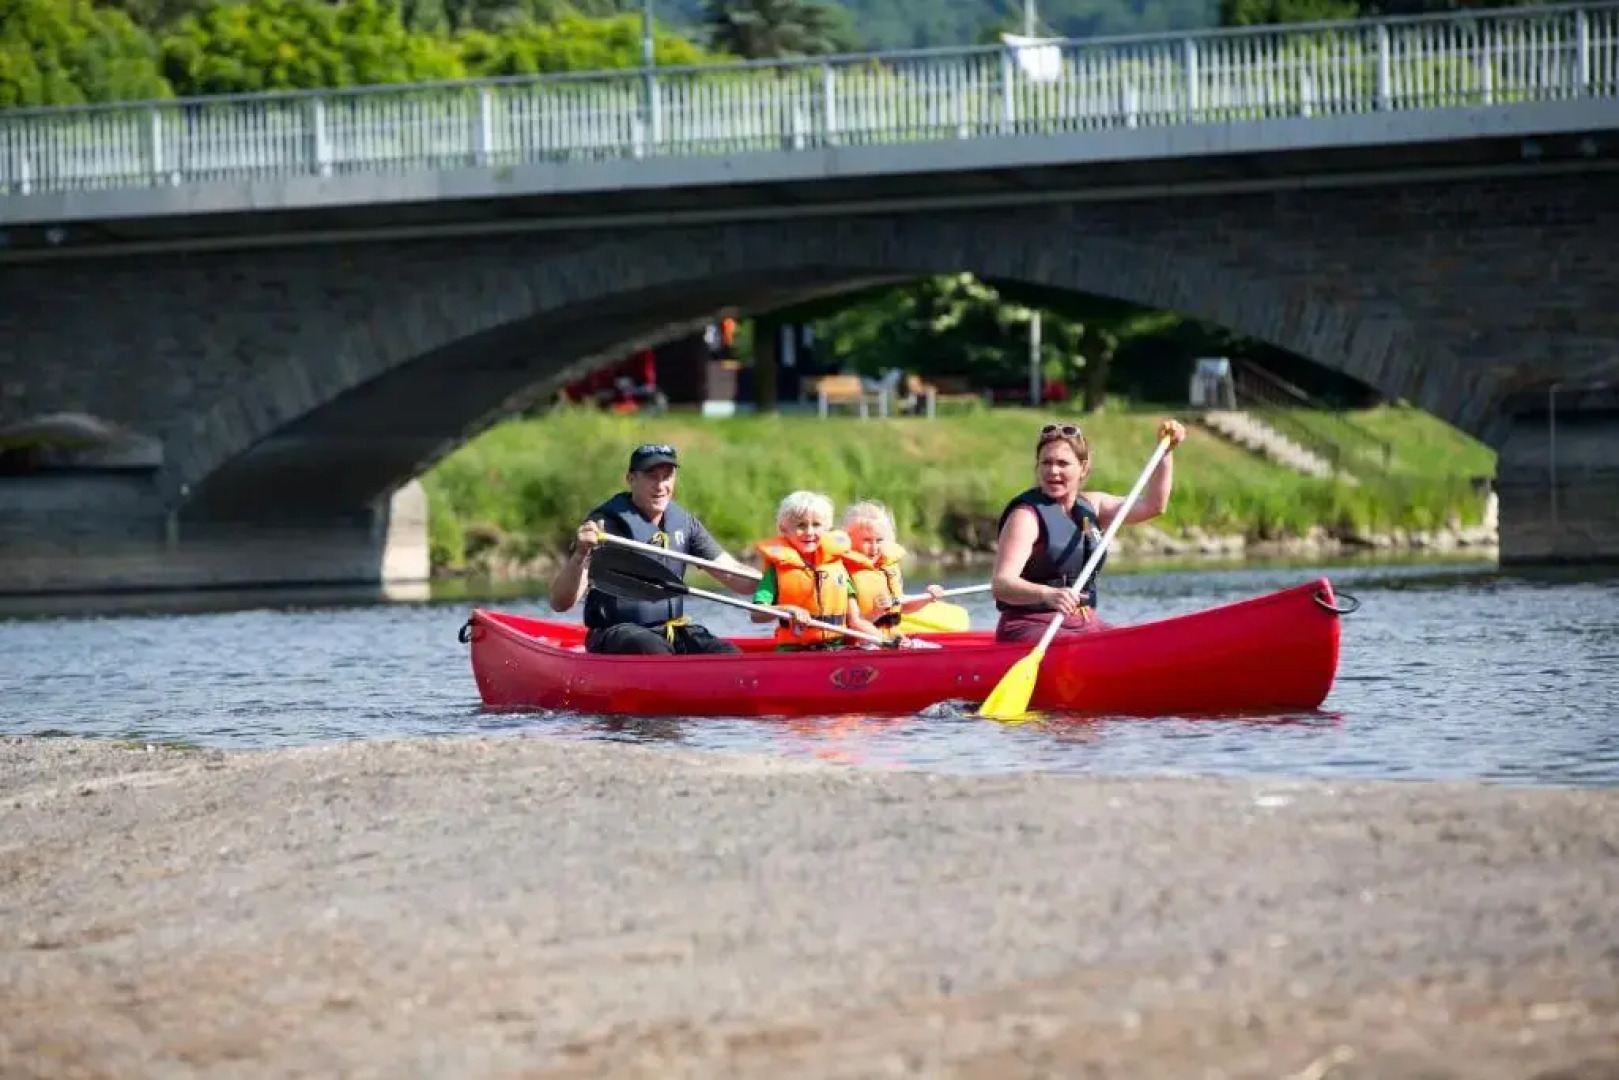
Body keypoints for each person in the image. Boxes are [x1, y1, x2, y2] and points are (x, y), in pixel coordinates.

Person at [990, 418, 1188, 644]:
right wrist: (1048, 594)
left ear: (1083, 468)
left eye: (1063, 463)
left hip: (1084, 621)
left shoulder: (1093, 506)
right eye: (1046, 463)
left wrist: (1166, 452)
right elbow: (1002, 585)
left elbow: (1154, 506)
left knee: (1142, 645)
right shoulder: (1026, 517)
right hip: (1032, 624)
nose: (1053, 471)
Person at [547, 443, 756, 655]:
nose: (660, 485)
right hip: (616, 634)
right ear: (631, 479)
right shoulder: (605, 526)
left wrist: (774, 581)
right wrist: (580, 555)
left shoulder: (685, 523)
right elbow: (560, 603)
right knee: (651, 648)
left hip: (671, 631)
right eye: (651, 476)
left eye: (667, 476)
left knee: (726, 653)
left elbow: (733, 574)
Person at [751, 491, 884, 650]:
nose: (809, 532)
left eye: (816, 525)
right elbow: (757, 614)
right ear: (784, 528)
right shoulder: (777, 570)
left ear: (827, 527)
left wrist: (884, 641)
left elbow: (855, 620)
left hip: (837, 648)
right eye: (801, 525)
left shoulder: (836, 564)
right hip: (795, 652)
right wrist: (787, 609)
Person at [840, 500, 945, 639]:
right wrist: (877, 613)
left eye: (879, 540)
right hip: (863, 642)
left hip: (892, 637)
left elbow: (903, 606)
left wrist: (926, 598)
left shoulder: (887, 567)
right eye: (867, 540)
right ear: (850, 540)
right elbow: (854, 623)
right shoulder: (844, 573)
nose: (874, 547)